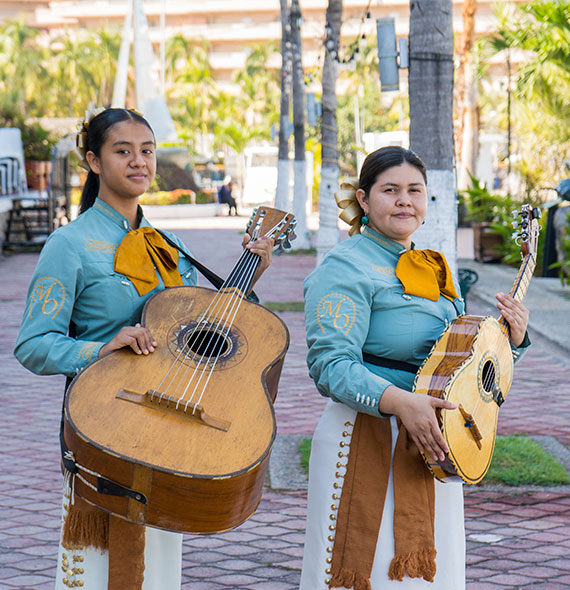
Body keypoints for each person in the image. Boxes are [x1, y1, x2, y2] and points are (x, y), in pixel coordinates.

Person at [13, 107, 274, 590]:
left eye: (147, 151)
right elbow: (32, 346)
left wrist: (249, 274)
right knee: (92, 567)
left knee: (158, 563)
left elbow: (200, 324)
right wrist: (101, 348)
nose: (139, 161)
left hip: (165, 425)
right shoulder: (69, 244)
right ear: (93, 161)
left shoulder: (167, 244)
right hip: (103, 420)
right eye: (123, 151)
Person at [300, 146, 531, 590]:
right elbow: (329, 365)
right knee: (367, 574)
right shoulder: (345, 266)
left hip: (439, 445)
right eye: (390, 190)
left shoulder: (435, 268)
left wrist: (513, 343)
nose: (405, 200)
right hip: (365, 436)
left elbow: (463, 366)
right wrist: (403, 404)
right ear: (364, 200)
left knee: (433, 580)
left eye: (414, 190)